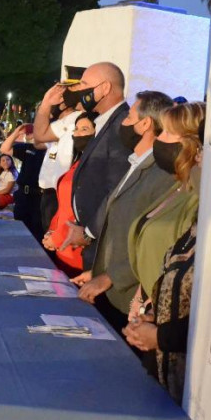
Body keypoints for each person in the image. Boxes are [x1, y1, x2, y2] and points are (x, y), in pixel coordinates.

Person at [71, 91, 176, 334]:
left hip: (129, 299)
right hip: (110, 290)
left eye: (128, 117)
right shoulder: (135, 163)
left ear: (145, 123)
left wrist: (110, 277)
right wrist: (97, 272)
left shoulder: (160, 174)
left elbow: (149, 240)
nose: (123, 124)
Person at [123, 101, 205, 404]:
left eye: (168, 133)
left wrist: (157, 329)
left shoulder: (202, 199)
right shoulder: (178, 186)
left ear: (192, 145)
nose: (159, 139)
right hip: (151, 321)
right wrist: (144, 298)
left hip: (175, 350)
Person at [56, 62, 133, 268]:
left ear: (105, 88)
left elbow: (117, 188)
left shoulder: (121, 126)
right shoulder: (105, 122)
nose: (81, 90)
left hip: (103, 246)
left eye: (85, 84)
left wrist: (89, 231)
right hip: (91, 241)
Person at [41, 112, 97, 275]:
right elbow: (64, 205)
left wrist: (57, 237)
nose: (78, 134)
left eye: (84, 129)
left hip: (77, 251)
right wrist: (52, 231)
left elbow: (82, 210)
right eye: (76, 129)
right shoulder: (78, 161)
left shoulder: (95, 166)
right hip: (62, 247)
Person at [32, 65, 86, 231]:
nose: (65, 93)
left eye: (70, 88)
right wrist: (47, 105)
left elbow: (40, 136)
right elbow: (38, 140)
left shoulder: (81, 118)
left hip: (63, 193)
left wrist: (47, 103)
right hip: (50, 191)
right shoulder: (68, 119)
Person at [3, 122, 46, 237]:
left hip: (39, 196)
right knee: (19, 228)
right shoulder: (27, 148)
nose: (29, 136)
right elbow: (4, 149)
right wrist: (17, 132)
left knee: (37, 230)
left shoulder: (51, 150)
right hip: (23, 194)